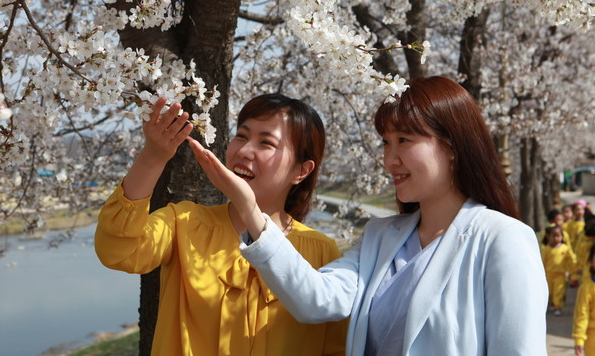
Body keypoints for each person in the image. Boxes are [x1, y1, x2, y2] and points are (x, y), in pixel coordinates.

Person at [189, 75, 548, 355]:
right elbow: (314, 299)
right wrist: (250, 209)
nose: (390, 159)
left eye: (404, 140)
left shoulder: (501, 239)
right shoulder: (380, 237)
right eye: (386, 143)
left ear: (452, 147)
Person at [95, 94, 347, 355]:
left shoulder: (321, 253)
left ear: (301, 171)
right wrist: (153, 157)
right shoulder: (185, 223)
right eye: (242, 136)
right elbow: (118, 251)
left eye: (266, 143)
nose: (244, 151)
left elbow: (336, 347)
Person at [541, 224, 575, 316]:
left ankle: (558, 307)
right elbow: (543, 261)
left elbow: (570, 260)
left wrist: (572, 271)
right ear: (548, 237)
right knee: (550, 292)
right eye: (553, 235)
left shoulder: (565, 248)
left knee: (558, 291)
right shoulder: (546, 249)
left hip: (561, 274)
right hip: (549, 274)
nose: (555, 238)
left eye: (558, 235)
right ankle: (551, 303)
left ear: (562, 236)